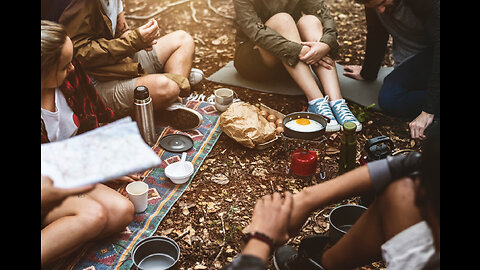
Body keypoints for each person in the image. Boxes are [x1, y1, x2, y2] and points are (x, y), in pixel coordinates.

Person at [222, 134, 440, 270]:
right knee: (401, 193)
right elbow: (415, 164)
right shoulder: (416, 191)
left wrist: (261, 240)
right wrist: (308, 199)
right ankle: (324, 266)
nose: (418, 190)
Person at [41, 20, 136, 267]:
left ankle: (60, 239)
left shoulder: (69, 77)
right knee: (94, 216)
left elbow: (97, 117)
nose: (72, 67)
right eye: (63, 66)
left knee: (120, 212)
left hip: (66, 174)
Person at [56, 0, 204, 130]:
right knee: (168, 87)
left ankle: (171, 105)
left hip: (118, 63)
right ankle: (166, 94)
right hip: (93, 84)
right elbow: (79, 54)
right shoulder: (80, 3)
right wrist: (133, 42)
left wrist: (143, 40)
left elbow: (122, 33)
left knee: (183, 39)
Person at [233, 0, 362, 132]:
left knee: (311, 21)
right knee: (282, 19)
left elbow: (323, 15)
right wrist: (297, 50)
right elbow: (254, 31)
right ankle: (316, 102)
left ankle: (337, 102)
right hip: (255, 58)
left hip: (294, 61)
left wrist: (326, 44)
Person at [343, 0, 439, 140]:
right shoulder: (376, 4)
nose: (380, 10)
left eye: (382, 2)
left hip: (434, 52)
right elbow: (377, 31)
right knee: (390, 99)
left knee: (392, 97)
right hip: (421, 58)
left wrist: (428, 110)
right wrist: (368, 72)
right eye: (374, 7)